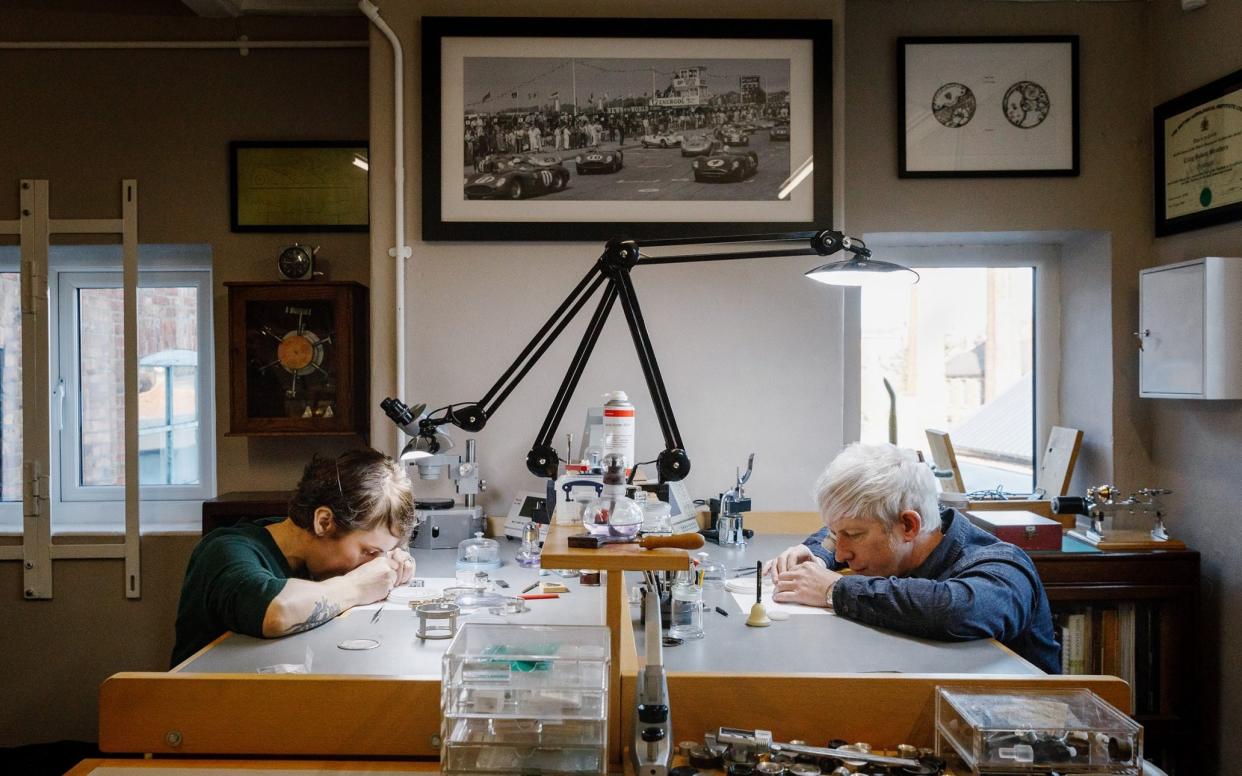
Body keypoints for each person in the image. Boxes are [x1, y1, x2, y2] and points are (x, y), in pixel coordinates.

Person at [764, 443, 1061, 673]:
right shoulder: (902, 538)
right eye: (835, 534)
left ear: (908, 525)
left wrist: (833, 590)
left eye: (853, 535)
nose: (841, 552)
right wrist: (817, 556)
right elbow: (836, 536)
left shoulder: (1002, 566)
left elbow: (953, 610)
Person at [171, 448, 417, 667]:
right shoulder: (225, 551)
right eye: (369, 551)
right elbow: (277, 611)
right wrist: (358, 585)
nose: (375, 563)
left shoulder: (312, 558)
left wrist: (393, 562)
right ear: (324, 522)